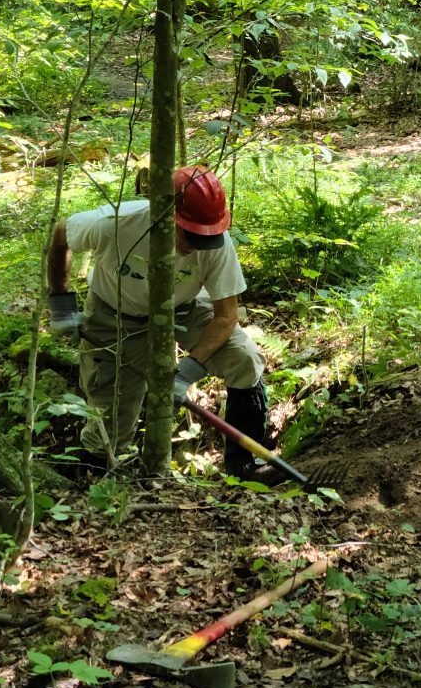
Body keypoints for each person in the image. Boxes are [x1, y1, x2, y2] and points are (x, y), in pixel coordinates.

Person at [45, 166, 280, 480]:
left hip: (182, 308)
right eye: (190, 233)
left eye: (205, 236)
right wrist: (60, 301)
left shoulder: (216, 241)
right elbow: (62, 233)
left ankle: (245, 465)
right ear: (165, 214)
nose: (197, 244)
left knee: (244, 359)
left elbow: (226, 316)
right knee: (110, 423)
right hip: (113, 314)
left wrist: (189, 370)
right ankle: (85, 481)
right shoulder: (116, 223)